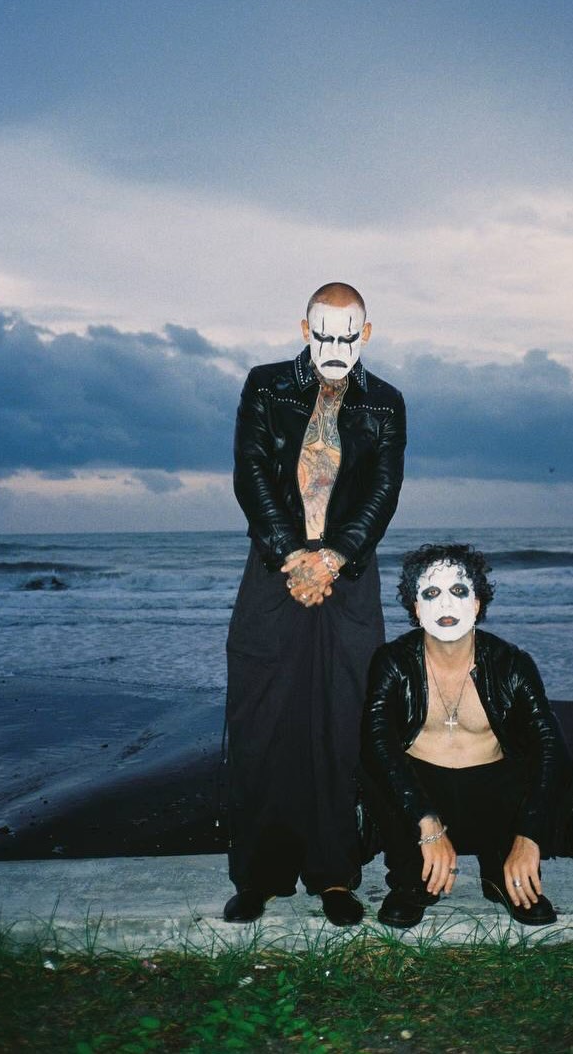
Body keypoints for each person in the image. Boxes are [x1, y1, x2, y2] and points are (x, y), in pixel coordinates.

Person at [223, 282, 406, 926]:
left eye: (347, 334)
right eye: (323, 332)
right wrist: (291, 554)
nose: (334, 345)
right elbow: (250, 472)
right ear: (305, 329)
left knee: (343, 716)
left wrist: (334, 557)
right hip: (273, 571)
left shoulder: (385, 402)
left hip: (349, 579)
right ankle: (261, 875)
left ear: (366, 333)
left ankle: (335, 874)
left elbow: (383, 490)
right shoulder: (266, 385)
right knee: (262, 717)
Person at [360, 543, 573, 928]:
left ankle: (501, 869)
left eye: (459, 591)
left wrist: (530, 836)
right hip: (420, 797)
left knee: (513, 872)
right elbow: (377, 743)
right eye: (431, 593)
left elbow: (551, 748)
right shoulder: (393, 662)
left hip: (493, 795)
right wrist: (427, 823)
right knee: (380, 769)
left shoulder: (512, 663)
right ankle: (412, 876)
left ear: (476, 604)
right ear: (416, 608)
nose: (446, 603)